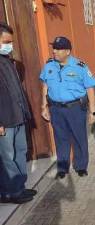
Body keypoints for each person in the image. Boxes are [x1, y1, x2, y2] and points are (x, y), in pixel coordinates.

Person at [40, 37, 95, 179]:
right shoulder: (49, 66)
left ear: (67, 51)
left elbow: (90, 88)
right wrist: (44, 106)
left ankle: (81, 166)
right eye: (54, 48)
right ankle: (62, 168)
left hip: (75, 108)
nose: (54, 51)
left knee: (79, 137)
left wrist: (93, 111)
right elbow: (45, 85)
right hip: (56, 109)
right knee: (60, 138)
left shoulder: (80, 66)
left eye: (58, 49)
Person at [0, 23, 37, 204]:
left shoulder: (8, 60)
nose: (10, 45)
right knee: (7, 157)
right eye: (6, 41)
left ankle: (20, 186)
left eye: (11, 41)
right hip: (4, 121)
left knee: (21, 152)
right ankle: (11, 192)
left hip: (19, 116)